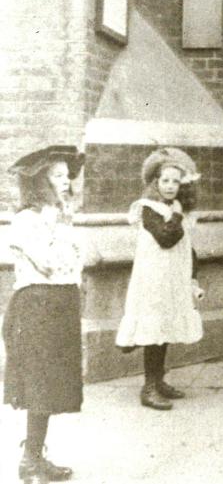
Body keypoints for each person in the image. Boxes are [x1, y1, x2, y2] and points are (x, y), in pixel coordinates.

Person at [2, 144, 85, 484]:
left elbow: (78, 264)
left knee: (51, 385)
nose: (66, 182)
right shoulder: (26, 221)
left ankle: (35, 455)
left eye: (68, 176)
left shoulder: (60, 218)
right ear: (40, 182)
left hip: (60, 304)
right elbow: (51, 264)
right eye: (57, 176)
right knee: (39, 383)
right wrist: (60, 231)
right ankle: (29, 461)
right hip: (36, 307)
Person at [115, 147, 203, 410]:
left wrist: (193, 278)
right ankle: (149, 387)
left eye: (176, 181)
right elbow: (166, 238)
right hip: (153, 281)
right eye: (165, 180)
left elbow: (187, 247)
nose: (170, 186)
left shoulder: (178, 210)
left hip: (171, 280)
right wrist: (175, 214)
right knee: (153, 330)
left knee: (163, 328)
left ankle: (159, 379)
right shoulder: (148, 209)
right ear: (155, 182)